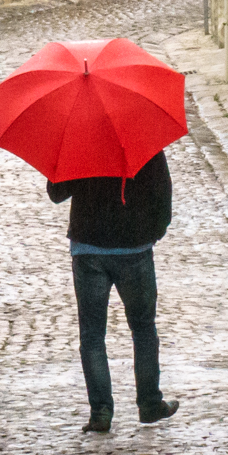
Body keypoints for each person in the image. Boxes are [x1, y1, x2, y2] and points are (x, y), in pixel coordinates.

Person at [47, 151, 180, 432]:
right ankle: (149, 403)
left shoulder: (79, 144)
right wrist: (154, 232)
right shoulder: (142, 143)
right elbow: (162, 191)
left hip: (88, 248)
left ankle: (101, 412)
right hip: (134, 248)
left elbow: (56, 193)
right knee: (143, 329)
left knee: (92, 335)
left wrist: (62, 161)